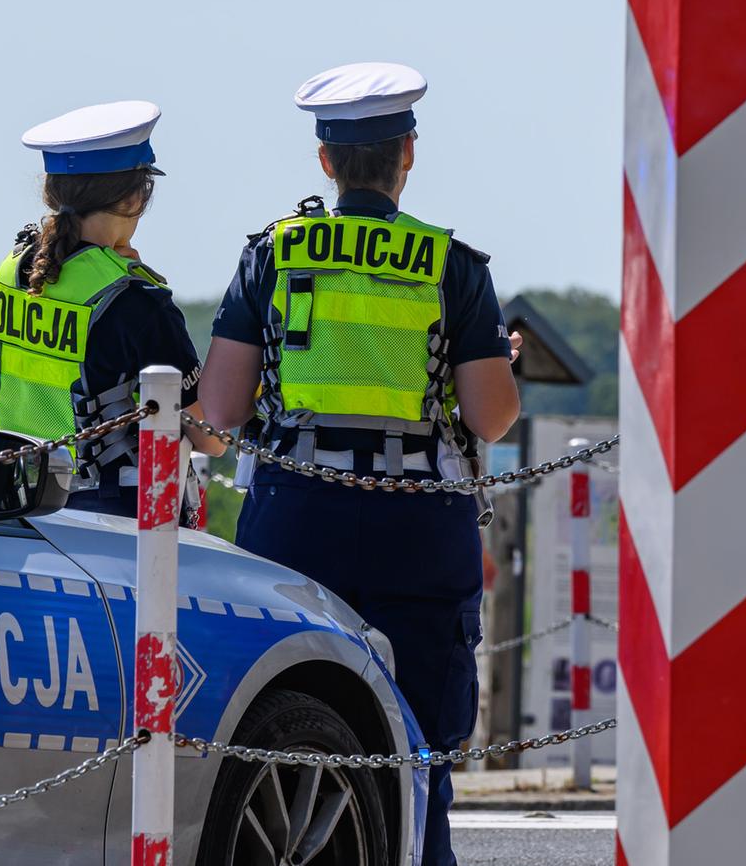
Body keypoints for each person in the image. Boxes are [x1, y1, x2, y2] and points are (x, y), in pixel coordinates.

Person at [198, 62, 519, 865]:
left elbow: (222, 408)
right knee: (420, 754)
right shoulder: (451, 267)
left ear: (326, 163)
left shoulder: (272, 254)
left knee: (286, 724)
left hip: (296, 521)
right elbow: (492, 415)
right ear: (407, 154)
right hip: (419, 529)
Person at [0, 100, 223, 518]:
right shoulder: (135, 300)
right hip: (112, 520)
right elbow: (211, 439)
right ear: (134, 197)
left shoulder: (11, 270)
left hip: (21, 503)